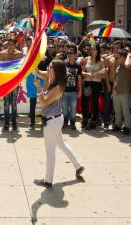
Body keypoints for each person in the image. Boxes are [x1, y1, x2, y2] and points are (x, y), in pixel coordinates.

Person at [33, 60, 84, 188]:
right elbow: (37, 71)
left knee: (50, 151)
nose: (48, 68)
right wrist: (32, 60)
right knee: (62, 145)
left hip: (52, 121)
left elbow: (44, 102)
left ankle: (48, 180)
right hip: (54, 120)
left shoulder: (58, 87)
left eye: (50, 66)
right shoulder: (49, 78)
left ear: (55, 70)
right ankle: (78, 166)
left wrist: (39, 88)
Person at [0, 38, 23, 132]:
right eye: (8, 44)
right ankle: (6, 124)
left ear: (15, 45)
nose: (10, 46)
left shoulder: (19, 54)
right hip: (5, 81)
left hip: (15, 81)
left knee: (13, 103)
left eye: (12, 44)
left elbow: (20, 67)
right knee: (6, 104)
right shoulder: (2, 53)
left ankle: (14, 124)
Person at [81, 43, 106, 130]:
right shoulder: (86, 59)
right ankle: (85, 119)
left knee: (94, 102)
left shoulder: (101, 61)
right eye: (91, 49)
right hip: (87, 82)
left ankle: (94, 120)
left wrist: (97, 76)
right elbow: (82, 72)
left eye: (94, 49)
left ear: (98, 50)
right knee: (85, 102)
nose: (92, 51)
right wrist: (87, 73)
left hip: (96, 83)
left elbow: (104, 75)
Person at [112, 50, 131, 135]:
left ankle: (127, 127)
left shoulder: (130, 65)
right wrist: (113, 91)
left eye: (119, 57)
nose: (117, 58)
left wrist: (128, 55)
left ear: (124, 58)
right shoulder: (118, 67)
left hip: (125, 92)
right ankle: (118, 125)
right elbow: (115, 80)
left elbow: (128, 65)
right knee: (117, 111)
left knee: (126, 111)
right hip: (116, 92)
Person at [62, 46, 82, 130]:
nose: (69, 55)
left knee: (73, 108)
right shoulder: (63, 64)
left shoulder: (78, 66)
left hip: (73, 91)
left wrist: (80, 90)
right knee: (64, 108)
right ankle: (65, 121)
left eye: (71, 53)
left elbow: (79, 78)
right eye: (68, 53)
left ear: (75, 55)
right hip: (64, 90)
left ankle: (73, 123)